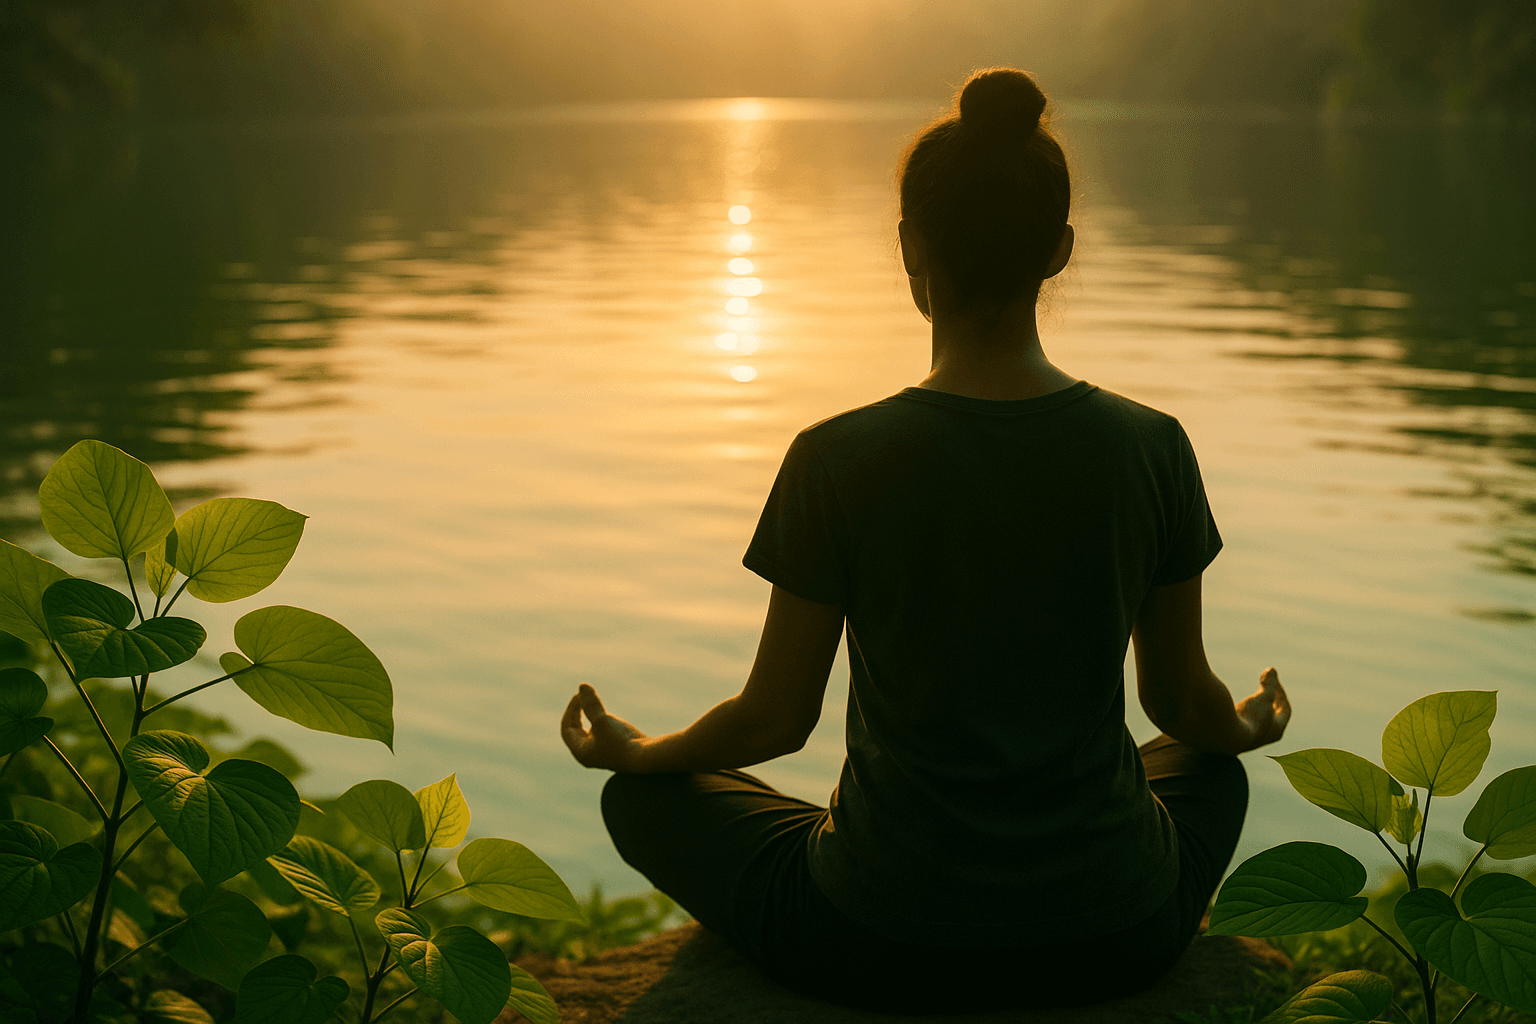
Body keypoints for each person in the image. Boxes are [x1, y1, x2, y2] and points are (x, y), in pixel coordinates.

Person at [560, 66, 1291, 1014]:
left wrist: (640, 749)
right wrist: (1247, 727)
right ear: (1060, 250)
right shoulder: (1151, 446)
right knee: (1214, 776)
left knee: (644, 801)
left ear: (911, 246)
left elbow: (775, 722)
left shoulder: (836, 456)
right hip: (1113, 935)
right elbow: (1180, 703)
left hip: (878, 938)